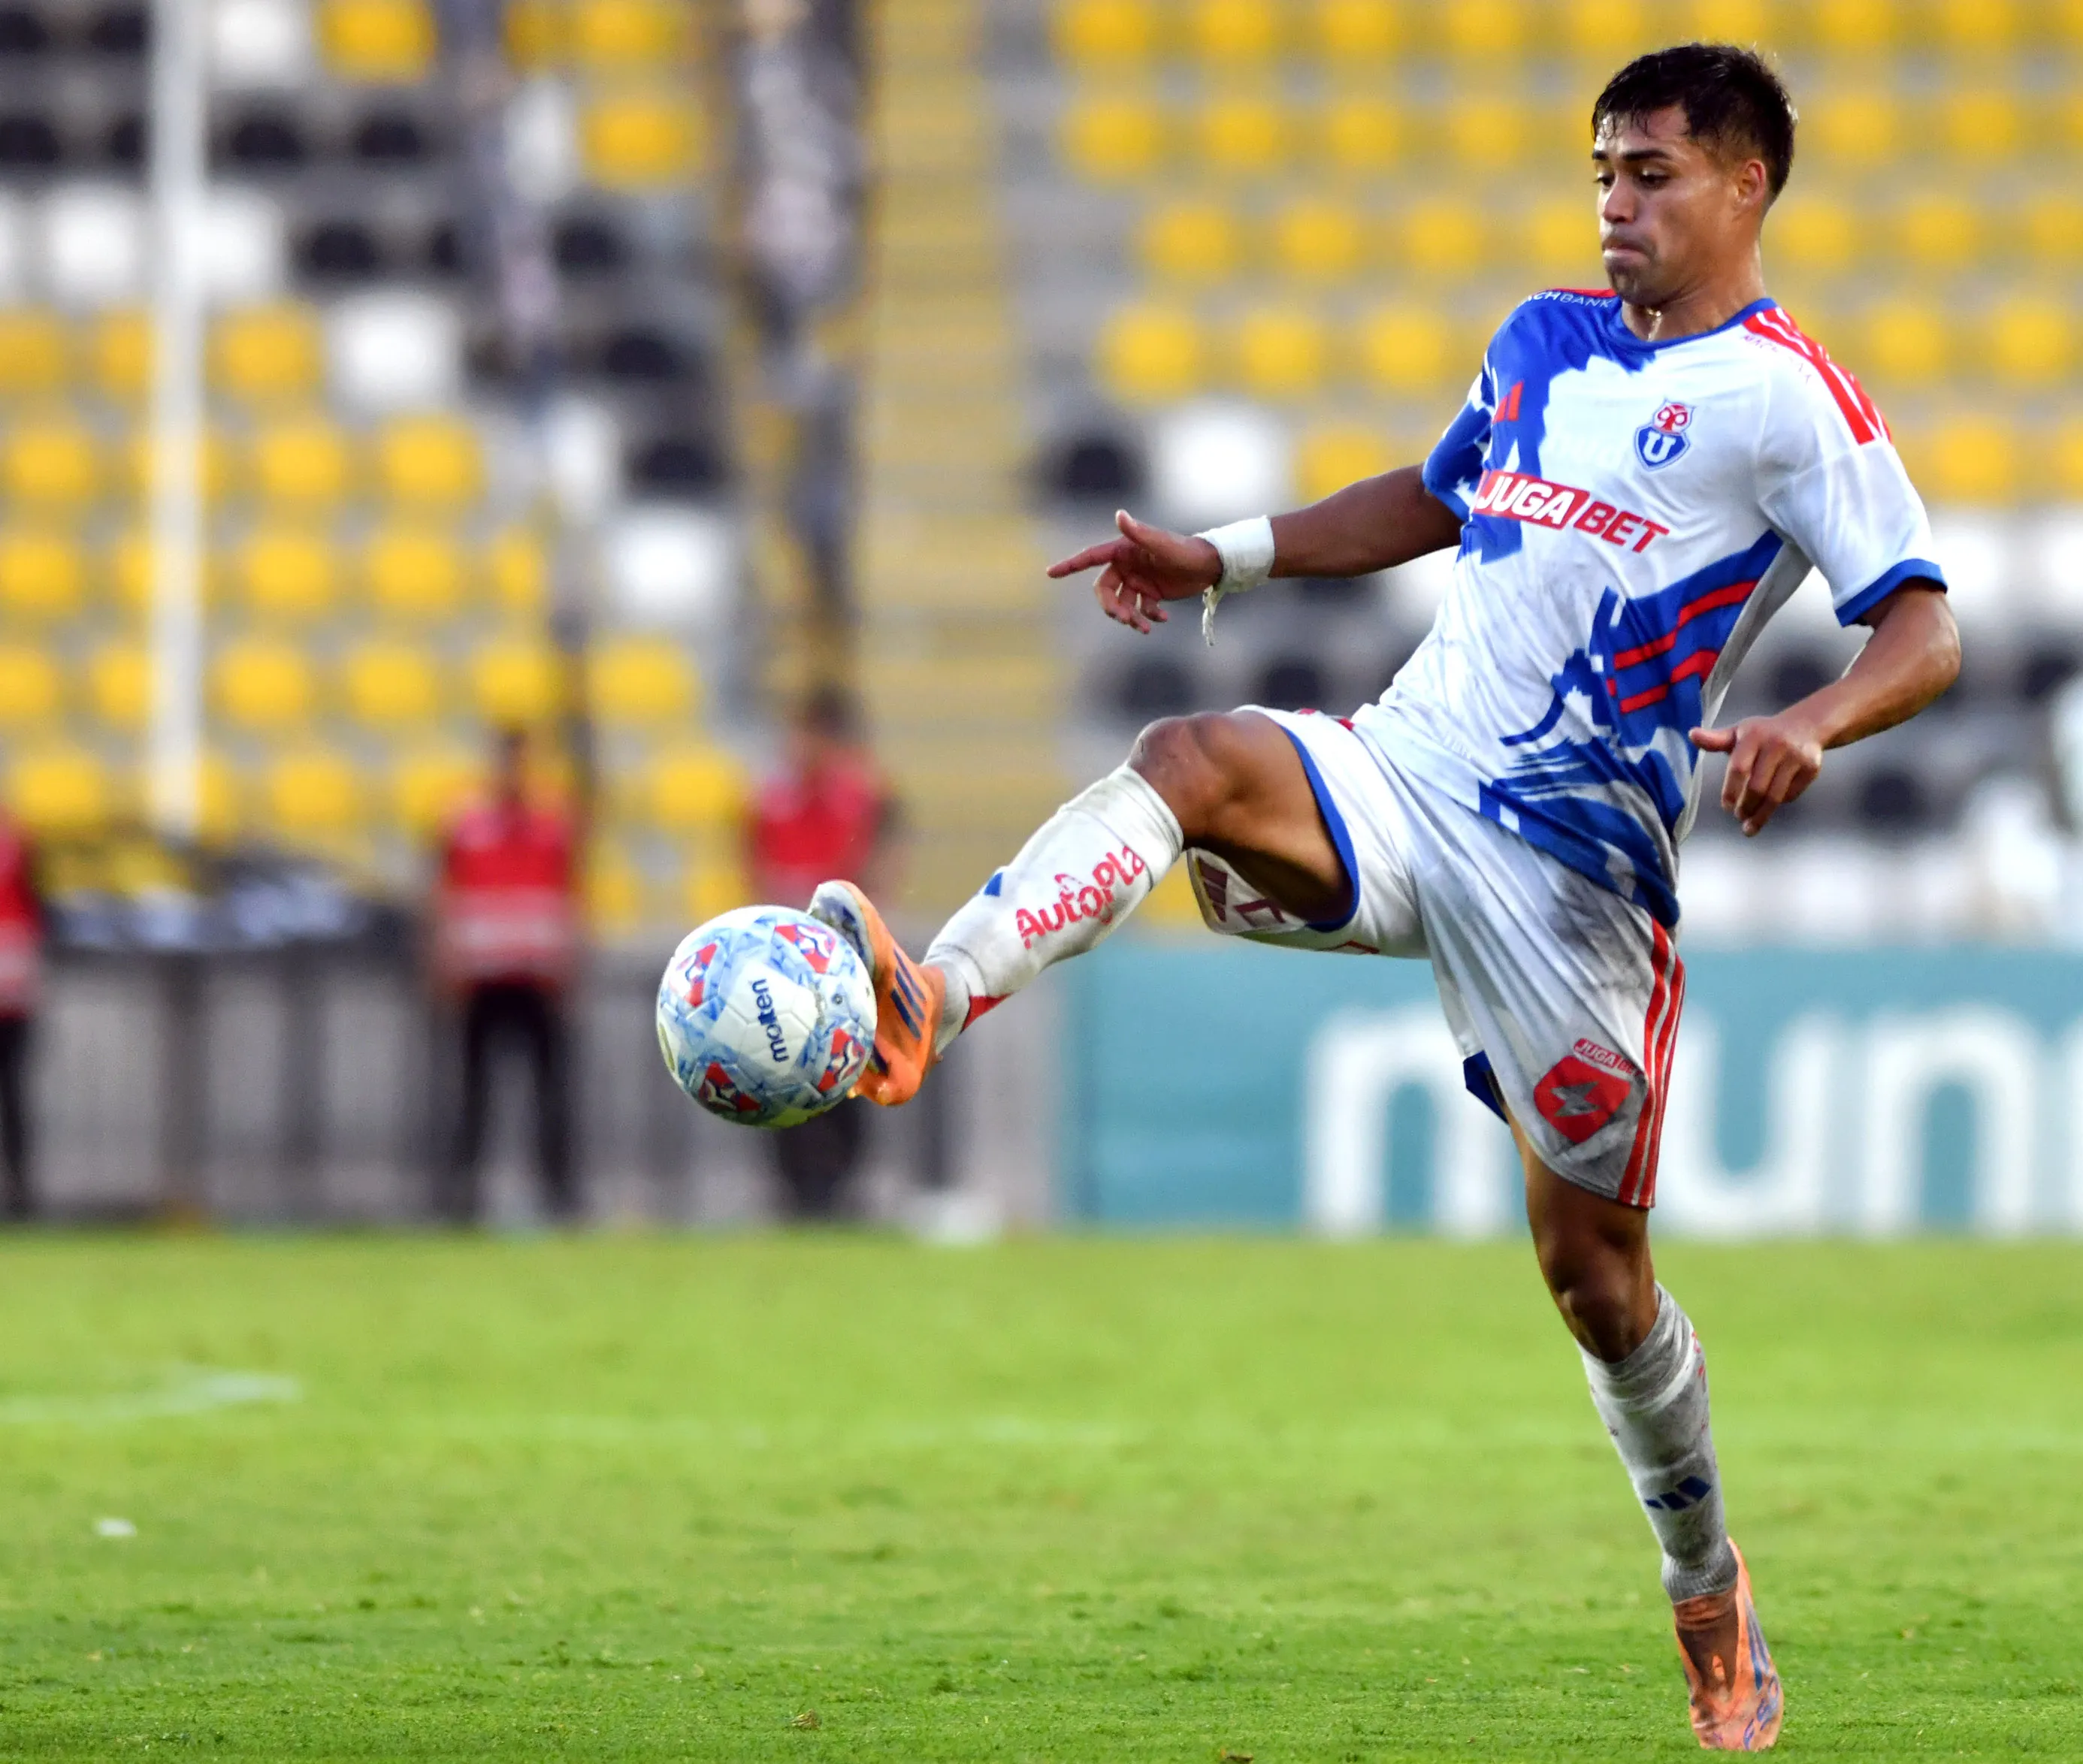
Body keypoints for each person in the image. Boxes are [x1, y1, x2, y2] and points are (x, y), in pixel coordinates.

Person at [815, 45, 1959, 1750]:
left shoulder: (1793, 403)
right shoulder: (1540, 340)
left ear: (1746, 186)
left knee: (1597, 1283)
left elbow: (1927, 627)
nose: (1615, 202)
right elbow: (1435, 497)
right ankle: (932, 996)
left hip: (1577, 890)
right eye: (1601, 170)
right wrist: (1229, 553)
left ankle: (1705, 1580)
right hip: (1409, 773)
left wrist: (1805, 719)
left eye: (1650, 173)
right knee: (1195, 753)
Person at [747, 686, 897, 1218]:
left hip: (839, 967)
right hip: (785, 963)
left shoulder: (857, 796)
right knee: (780, 1072)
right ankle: (793, 1188)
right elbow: (756, 865)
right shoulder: (770, 800)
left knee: (844, 1073)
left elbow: (877, 863)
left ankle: (840, 1186)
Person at [431, 726, 582, 1225]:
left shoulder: (553, 825)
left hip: (538, 977)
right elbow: (444, 894)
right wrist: (443, 957)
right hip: (484, 977)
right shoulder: (465, 826)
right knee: (474, 1092)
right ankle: (461, 1194)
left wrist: (571, 959)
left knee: (550, 1093)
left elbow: (571, 895)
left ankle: (559, 1194)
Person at [0, 806, 39, 1222]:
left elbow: (38, 910)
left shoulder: (21, 843)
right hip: (16, 987)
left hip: (13, 995)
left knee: (14, 1096)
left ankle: (20, 1193)